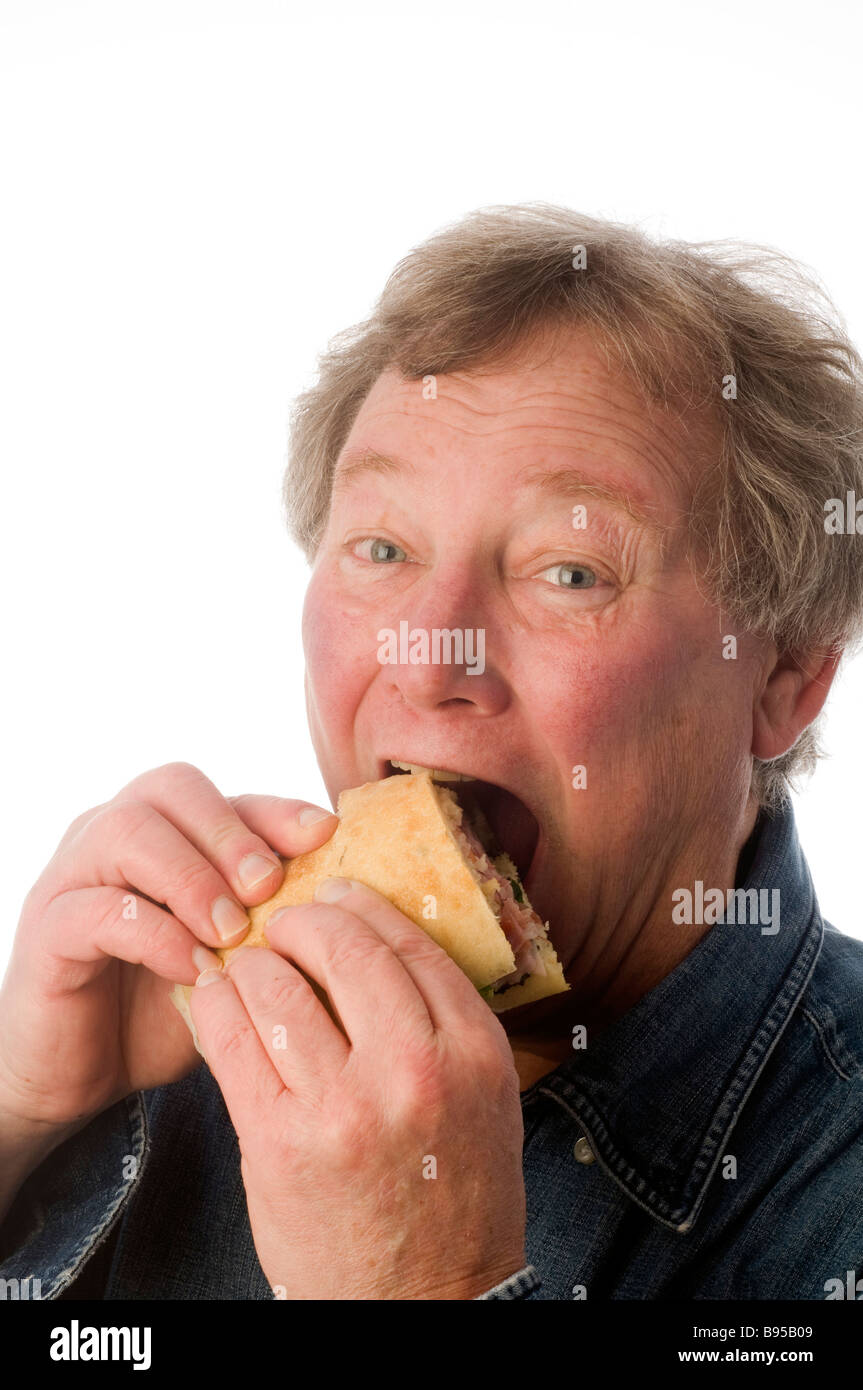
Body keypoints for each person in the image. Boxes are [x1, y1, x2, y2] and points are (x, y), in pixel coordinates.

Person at [2, 204, 862, 1301]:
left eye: (569, 571)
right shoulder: (175, 1044)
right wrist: (25, 1117)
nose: (426, 653)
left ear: (784, 675)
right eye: (380, 546)